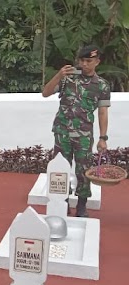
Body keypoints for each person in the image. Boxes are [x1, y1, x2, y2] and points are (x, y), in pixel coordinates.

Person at [41, 45, 111, 217]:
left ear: (97, 62)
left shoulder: (102, 86)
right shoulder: (68, 79)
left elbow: (102, 112)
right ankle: (62, 202)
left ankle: (81, 205)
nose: (84, 64)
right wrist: (59, 75)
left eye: (89, 61)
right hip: (62, 132)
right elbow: (45, 92)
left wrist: (103, 137)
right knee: (61, 169)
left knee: (83, 170)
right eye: (82, 60)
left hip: (84, 135)